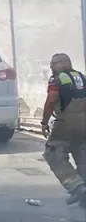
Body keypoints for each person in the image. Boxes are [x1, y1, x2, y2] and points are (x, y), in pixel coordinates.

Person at [41, 53, 86, 207]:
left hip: (66, 120)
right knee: (81, 153)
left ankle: (77, 186)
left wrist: (45, 121)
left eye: (54, 63)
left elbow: (52, 99)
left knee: (53, 153)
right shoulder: (81, 76)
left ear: (64, 63)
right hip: (83, 121)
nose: (51, 66)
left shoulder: (57, 78)